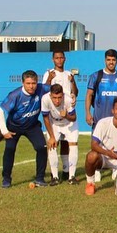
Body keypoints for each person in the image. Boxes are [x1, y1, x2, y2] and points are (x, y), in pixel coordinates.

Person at [0, 70, 50, 188]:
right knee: (10, 149)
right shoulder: (15, 95)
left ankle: (40, 178)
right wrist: (4, 131)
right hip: (14, 127)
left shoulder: (42, 88)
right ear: (23, 83)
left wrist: (70, 95)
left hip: (32, 126)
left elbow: (57, 89)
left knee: (42, 147)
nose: (31, 86)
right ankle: (6, 179)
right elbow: (0, 111)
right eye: (28, 83)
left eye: (34, 83)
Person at [42, 50, 79, 181]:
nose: (59, 60)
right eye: (56, 58)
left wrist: (73, 82)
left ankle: (68, 172)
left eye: (61, 58)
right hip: (54, 115)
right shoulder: (49, 73)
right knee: (53, 143)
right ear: (53, 60)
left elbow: (76, 93)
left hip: (68, 110)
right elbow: (44, 90)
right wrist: (49, 79)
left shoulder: (69, 74)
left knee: (67, 144)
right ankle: (54, 176)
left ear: (65, 59)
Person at [85, 49, 117, 128]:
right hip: (99, 119)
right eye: (108, 60)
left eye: (113, 60)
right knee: (96, 141)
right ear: (105, 60)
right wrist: (88, 113)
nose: (111, 62)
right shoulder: (96, 76)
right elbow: (89, 95)